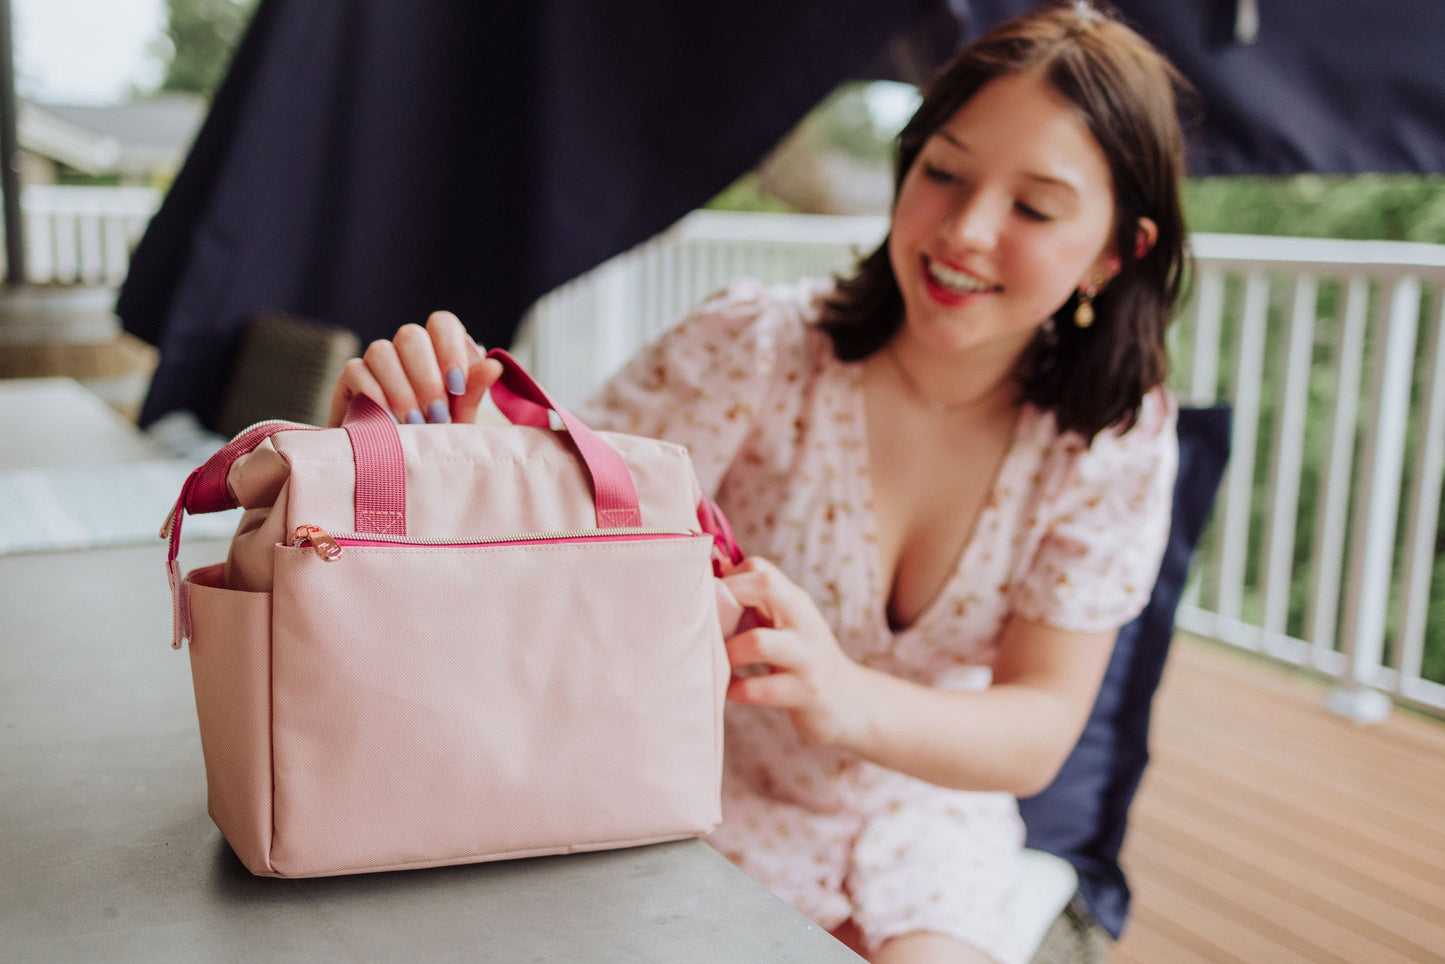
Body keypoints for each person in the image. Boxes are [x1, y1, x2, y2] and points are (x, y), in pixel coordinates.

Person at [328, 2, 1190, 960]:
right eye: (942, 171)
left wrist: (838, 694)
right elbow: (553, 508)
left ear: (1118, 252)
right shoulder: (756, 348)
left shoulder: (1115, 439)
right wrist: (438, 432)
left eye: (1033, 207)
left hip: (925, 815)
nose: (965, 231)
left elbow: (1034, 731)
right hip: (689, 783)